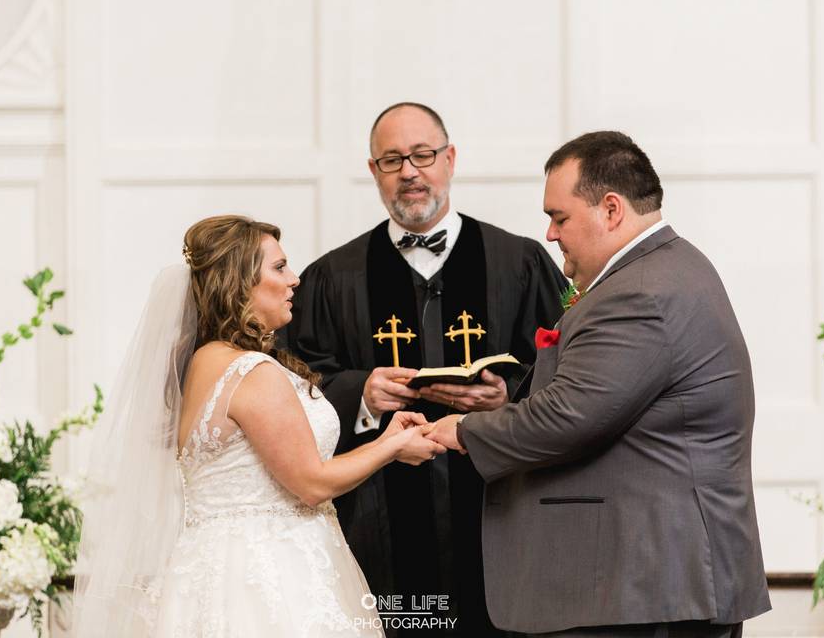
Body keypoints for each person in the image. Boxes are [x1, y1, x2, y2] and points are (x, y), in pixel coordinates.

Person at [427, 131, 771, 637]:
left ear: (611, 210)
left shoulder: (639, 292)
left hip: (647, 587)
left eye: (559, 217)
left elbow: (567, 418)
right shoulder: (669, 268)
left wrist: (460, 429)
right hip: (654, 584)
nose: (550, 234)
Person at [72, 215, 447, 637]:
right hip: (271, 571)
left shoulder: (202, 362)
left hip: (211, 567)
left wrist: (389, 437)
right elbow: (311, 483)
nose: (295, 280)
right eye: (280, 267)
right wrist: (392, 447)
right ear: (240, 282)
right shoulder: (251, 371)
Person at [287, 102, 567, 636]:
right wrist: (360, 394)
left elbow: (573, 368)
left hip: (497, 510)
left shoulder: (519, 262)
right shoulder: (332, 277)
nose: (410, 172)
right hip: (381, 521)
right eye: (392, 160)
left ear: (450, 158)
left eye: (422, 154)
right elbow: (296, 380)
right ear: (373, 172)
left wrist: (509, 396)